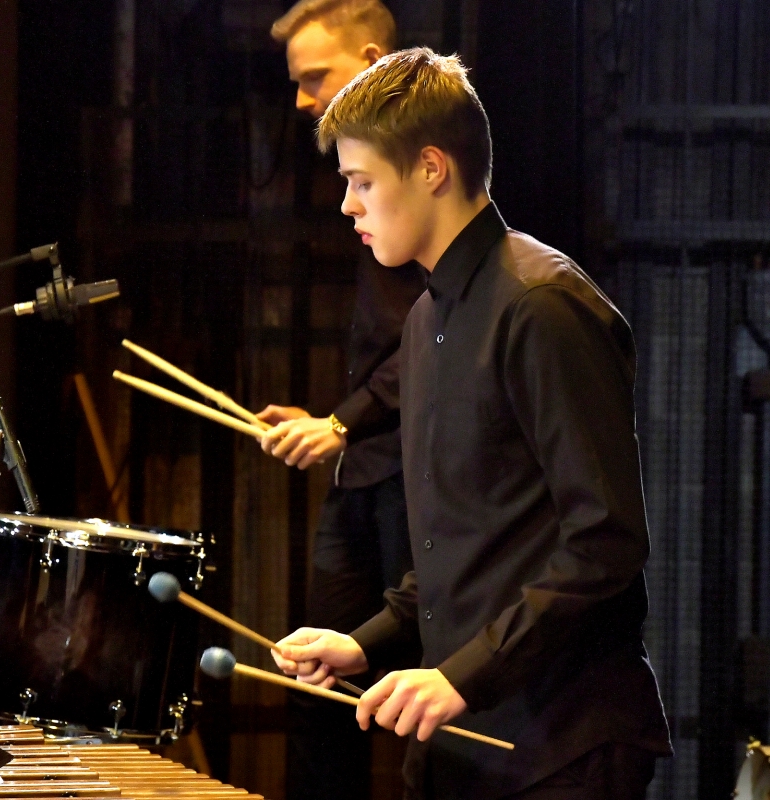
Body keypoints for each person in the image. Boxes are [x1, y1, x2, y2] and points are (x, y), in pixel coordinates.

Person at [272, 49, 672, 799]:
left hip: (563, 746)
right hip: (466, 752)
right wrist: (363, 643)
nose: (347, 205)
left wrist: (463, 676)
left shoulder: (541, 305)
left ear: (431, 168)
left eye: (362, 182)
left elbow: (605, 542)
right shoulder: (425, 320)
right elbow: (457, 550)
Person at [258, 3, 423, 799]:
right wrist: (330, 418)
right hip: (364, 472)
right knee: (316, 680)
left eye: (315, 77)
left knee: (422, 687)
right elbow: (399, 341)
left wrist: (341, 421)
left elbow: (436, 341)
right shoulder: (377, 195)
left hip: (416, 480)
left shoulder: (418, 182)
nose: (349, 205)